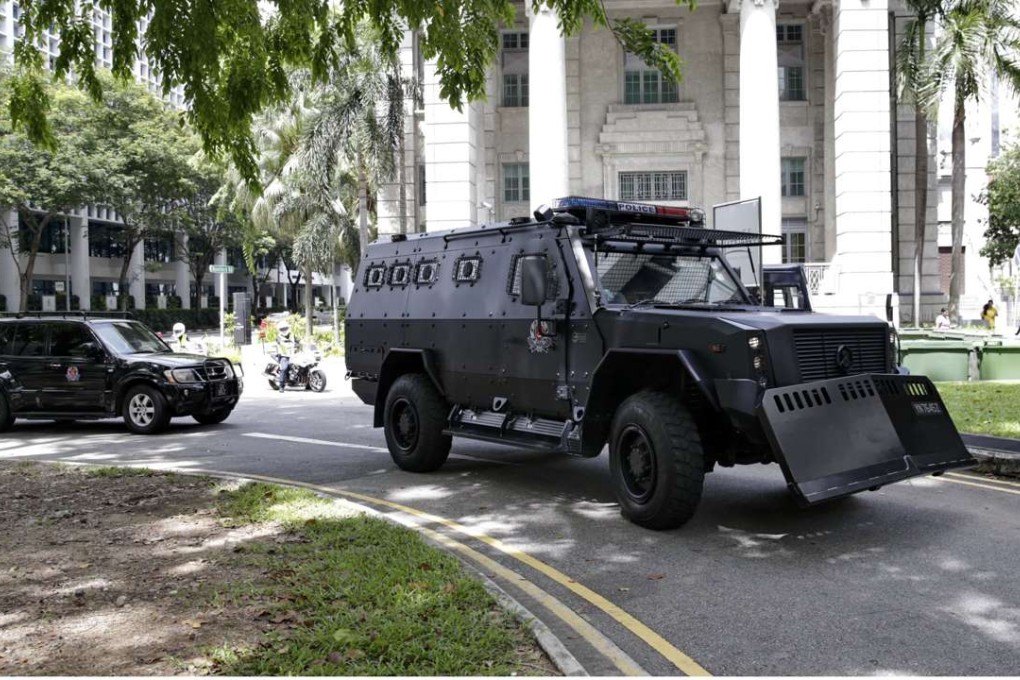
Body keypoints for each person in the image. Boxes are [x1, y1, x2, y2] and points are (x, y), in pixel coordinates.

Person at [276, 321, 297, 393]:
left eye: (285, 328)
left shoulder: (292, 335)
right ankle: (281, 386)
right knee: (284, 369)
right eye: (282, 329)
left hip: (293, 354)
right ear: (279, 329)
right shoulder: (279, 337)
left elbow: (298, 341)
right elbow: (281, 344)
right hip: (284, 356)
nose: (284, 330)